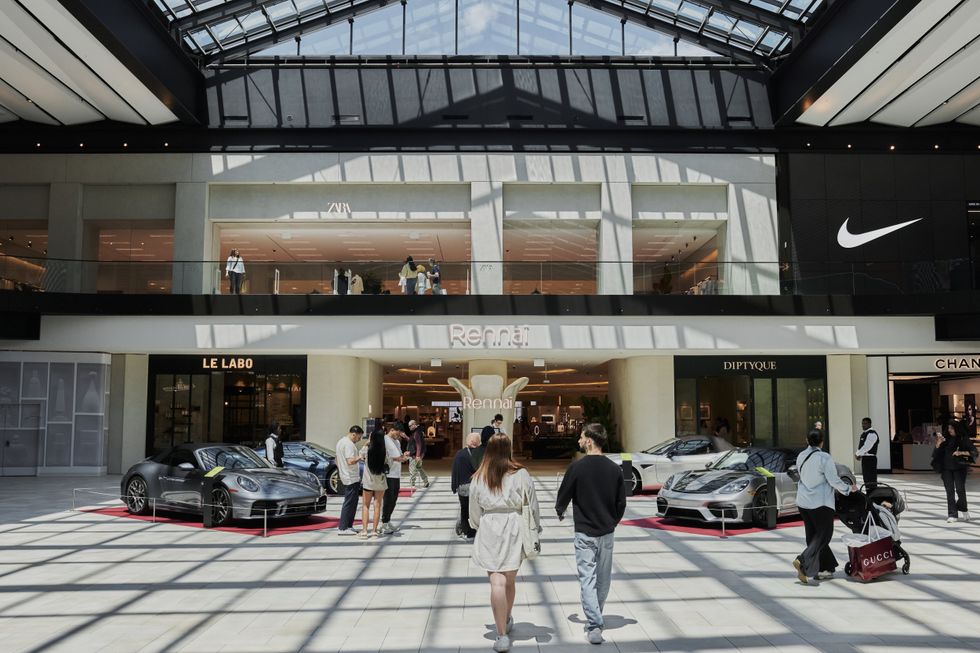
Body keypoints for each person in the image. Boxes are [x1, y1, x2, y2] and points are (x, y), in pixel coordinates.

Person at [555, 423, 627, 645]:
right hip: (606, 532)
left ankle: (595, 624)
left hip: (585, 532)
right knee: (603, 578)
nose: (578, 440)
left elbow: (563, 495)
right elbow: (621, 503)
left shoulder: (577, 468)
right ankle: (596, 616)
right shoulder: (615, 469)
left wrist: (560, 510)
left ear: (589, 441)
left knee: (588, 578)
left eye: (581, 436)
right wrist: (612, 521)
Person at [469, 434, 540, 652]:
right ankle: (507, 617)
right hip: (514, 526)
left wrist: (478, 524)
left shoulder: (479, 476)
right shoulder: (521, 473)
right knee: (509, 579)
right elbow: (532, 504)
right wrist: (535, 527)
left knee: (496, 582)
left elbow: (473, 511)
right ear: (509, 449)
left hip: (490, 526)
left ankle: (501, 635)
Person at [793, 429, 858, 585]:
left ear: (807, 440)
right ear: (822, 441)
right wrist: (849, 489)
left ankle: (825, 568)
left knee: (812, 535)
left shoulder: (801, 456)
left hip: (803, 501)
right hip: (820, 502)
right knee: (824, 535)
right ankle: (802, 560)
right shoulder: (824, 457)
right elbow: (833, 480)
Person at [932, 420, 977, 523]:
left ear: (957, 429)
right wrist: (938, 443)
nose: (949, 430)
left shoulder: (963, 439)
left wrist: (960, 452)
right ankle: (952, 514)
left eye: (951, 428)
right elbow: (935, 454)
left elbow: (974, 452)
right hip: (946, 469)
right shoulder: (945, 439)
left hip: (960, 468)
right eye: (948, 428)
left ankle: (963, 509)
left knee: (960, 490)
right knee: (950, 492)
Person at [358, 429, 390, 538]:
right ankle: (374, 531)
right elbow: (389, 463)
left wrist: (366, 443)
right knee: (377, 506)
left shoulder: (367, 449)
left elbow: (360, 455)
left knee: (365, 506)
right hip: (380, 482)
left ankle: (364, 531)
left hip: (368, 482)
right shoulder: (385, 451)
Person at [335, 425, 365, 535]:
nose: (359, 440)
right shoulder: (348, 444)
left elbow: (336, 458)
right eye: (359, 437)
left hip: (347, 475)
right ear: (354, 434)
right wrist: (360, 456)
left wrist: (341, 470)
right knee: (349, 502)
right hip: (351, 477)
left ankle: (348, 525)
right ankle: (343, 527)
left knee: (353, 502)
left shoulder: (340, 442)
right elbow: (350, 461)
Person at [451, 433, 482, 539]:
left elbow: (455, 471)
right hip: (474, 487)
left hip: (462, 487)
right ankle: (473, 529)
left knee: (464, 509)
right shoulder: (479, 454)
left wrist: (454, 486)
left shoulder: (459, 454)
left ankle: (465, 529)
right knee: (475, 509)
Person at [381, 425, 410, 534]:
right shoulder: (384, 440)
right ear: (391, 430)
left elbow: (399, 455)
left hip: (396, 474)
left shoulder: (397, 442)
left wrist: (403, 456)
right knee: (388, 499)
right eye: (397, 433)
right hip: (388, 474)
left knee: (394, 499)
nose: (399, 436)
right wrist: (398, 458)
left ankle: (387, 520)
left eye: (400, 434)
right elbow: (384, 456)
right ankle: (384, 522)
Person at [855, 417, 879, 490]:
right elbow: (861, 446)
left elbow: (867, 447)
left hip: (870, 459)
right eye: (862, 423)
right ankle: (869, 495)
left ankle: (873, 496)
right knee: (866, 479)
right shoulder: (864, 434)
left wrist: (857, 454)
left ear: (870, 424)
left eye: (865, 423)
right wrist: (860, 454)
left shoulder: (872, 434)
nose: (863, 425)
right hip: (865, 458)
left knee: (871, 479)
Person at [406, 419, 430, 489]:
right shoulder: (418, 432)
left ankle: (412, 483)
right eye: (409, 426)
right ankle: (425, 481)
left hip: (415, 454)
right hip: (418, 454)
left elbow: (418, 444)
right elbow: (414, 442)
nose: (409, 427)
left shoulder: (416, 433)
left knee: (413, 468)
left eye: (410, 426)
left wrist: (417, 455)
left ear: (414, 425)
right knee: (419, 468)